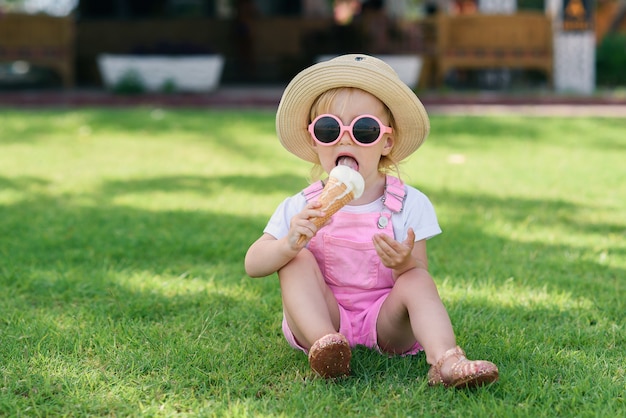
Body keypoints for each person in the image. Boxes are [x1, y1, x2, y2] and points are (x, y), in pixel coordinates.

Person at [244, 54, 499, 388]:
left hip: (385, 321)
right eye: (329, 128)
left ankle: (446, 361)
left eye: (364, 129)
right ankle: (326, 348)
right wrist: (288, 244)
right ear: (313, 139)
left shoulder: (408, 203)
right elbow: (253, 263)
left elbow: (417, 272)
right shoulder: (300, 207)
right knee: (295, 260)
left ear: (386, 142)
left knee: (418, 282)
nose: (345, 139)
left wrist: (403, 262)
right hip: (324, 315)